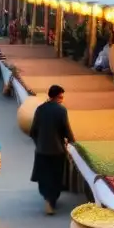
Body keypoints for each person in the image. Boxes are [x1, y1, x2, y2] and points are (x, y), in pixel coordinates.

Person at [29, 85, 75, 215]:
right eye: (61, 96)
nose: (62, 99)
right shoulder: (61, 110)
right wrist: (73, 142)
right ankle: (51, 200)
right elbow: (67, 130)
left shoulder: (40, 109)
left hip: (42, 150)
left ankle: (47, 198)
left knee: (44, 175)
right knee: (55, 176)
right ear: (58, 97)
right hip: (57, 151)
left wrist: (39, 144)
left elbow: (33, 131)